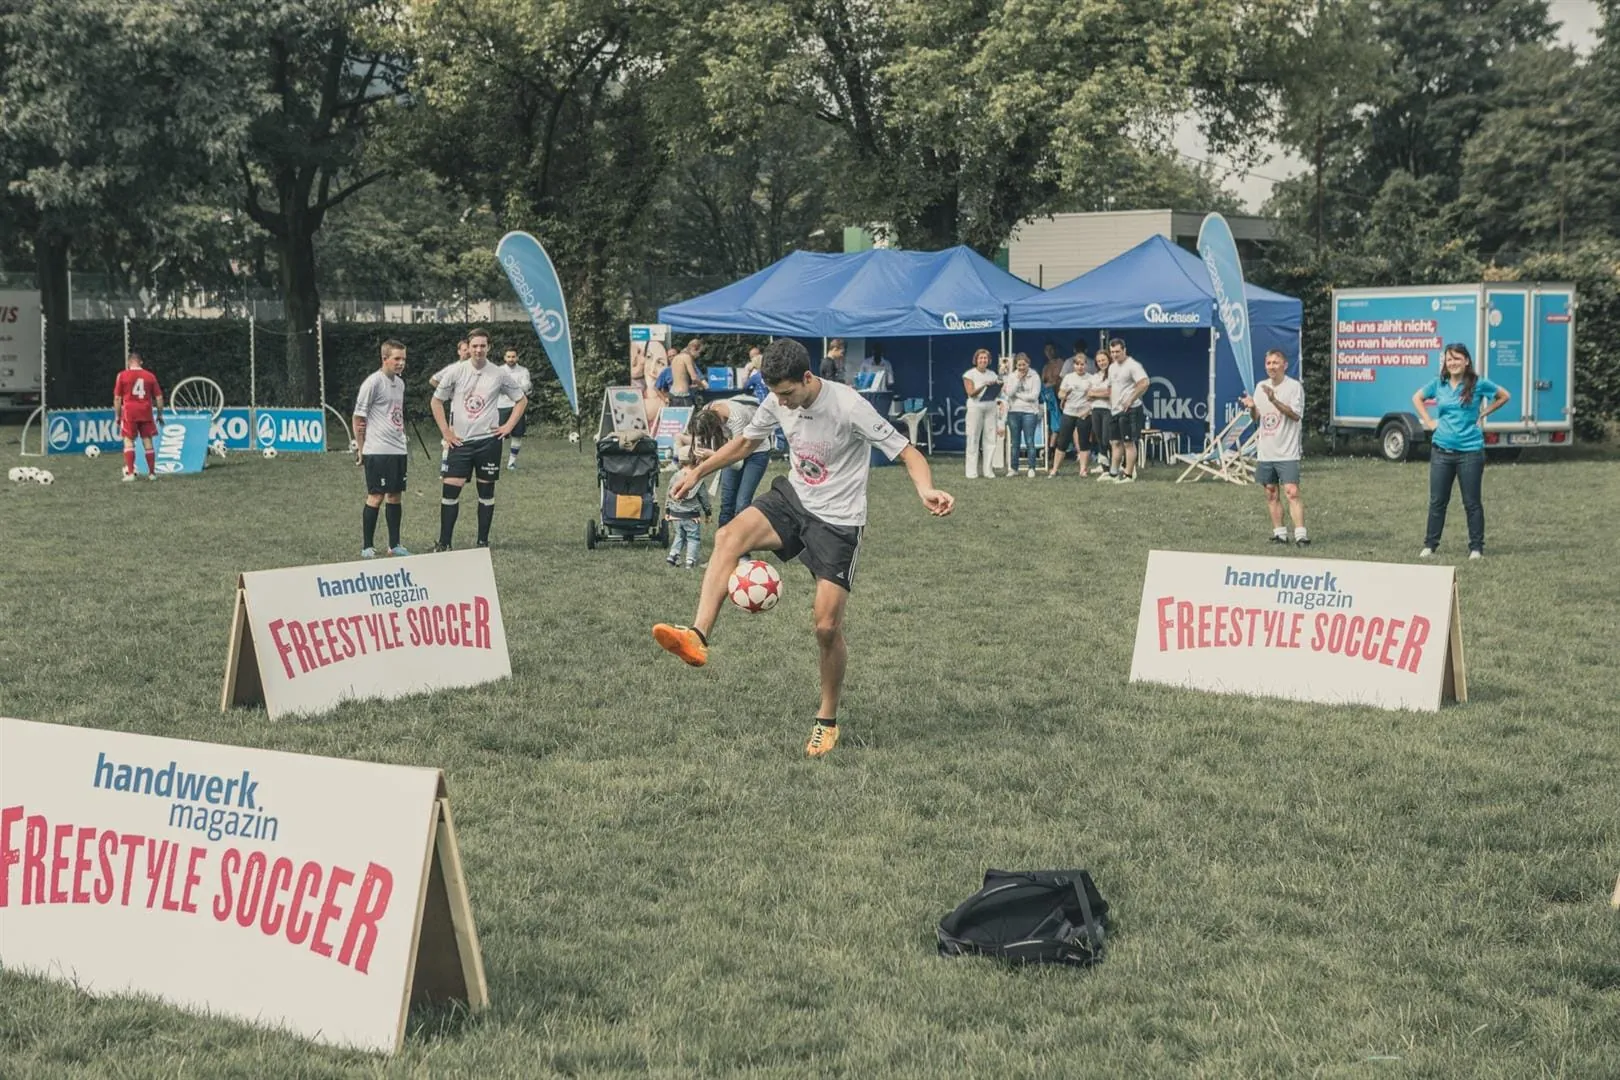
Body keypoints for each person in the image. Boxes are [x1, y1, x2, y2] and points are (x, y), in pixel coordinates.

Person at [651, 339, 954, 758]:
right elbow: (744, 443)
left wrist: (926, 489)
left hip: (839, 521)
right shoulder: (777, 400)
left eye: (788, 394)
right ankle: (697, 635)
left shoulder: (849, 406)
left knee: (826, 628)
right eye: (776, 395)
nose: (782, 403)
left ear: (808, 378)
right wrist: (698, 471)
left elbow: (907, 452)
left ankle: (826, 720)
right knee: (727, 537)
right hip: (794, 500)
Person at [430, 328, 528, 551]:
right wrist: (446, 432)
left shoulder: (499, 374)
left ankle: (482, 542)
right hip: (460, 441)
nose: (478, 349)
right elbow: (436, 401)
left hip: (488, 441)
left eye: (483, 345)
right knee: (450, 489)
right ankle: (444, 542)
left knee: (486, 492)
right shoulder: (456, 371)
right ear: (469, 347)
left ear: (489, 347)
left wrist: (508, 426)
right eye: (474, 345)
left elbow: (521, 400)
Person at [1413, 342, 1510, 560]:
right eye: (1449, 359)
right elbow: (1417, 398)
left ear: (1466, 361)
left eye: (1457, 358)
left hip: (1470, 453)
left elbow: (1504, 395)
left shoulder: (1478, 384)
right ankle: (1430, 545)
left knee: (1472, 503)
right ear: (1445, 363)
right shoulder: (1438, 384)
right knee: (1437, 501)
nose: (1453, 363)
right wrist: (1429, 421)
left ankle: (1476, 548)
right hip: (1441, 452)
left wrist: (1484, 413)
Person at [1241, 349, 1308, 546]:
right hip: (1266, 450)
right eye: (1269, 363)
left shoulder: (1294, 387)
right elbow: (1256, 419)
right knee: (1270, 491)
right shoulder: (1261, 386)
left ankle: (1301, 535)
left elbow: (1295, 415)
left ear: (1284, 365)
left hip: (1287, 450)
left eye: (1275, 363)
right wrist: (1252, 407)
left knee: (1292, 491)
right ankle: (1280, 534)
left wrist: (1274, 400)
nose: (1271, 366)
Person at [353, 339, 411, 558]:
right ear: (384, 358)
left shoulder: (400, 383)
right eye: (397, 359)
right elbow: (359, 417)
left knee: (395, 496)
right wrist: (360, 448)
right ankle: (367, 546)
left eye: (403, 359)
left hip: (398, 449)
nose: (401, 363)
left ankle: (394, 545)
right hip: (377, 449)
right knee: (376, 496)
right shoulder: (373, 383)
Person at [693, 397, 770, 527]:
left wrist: (713, 455)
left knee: (742, 503)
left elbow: (737, 461)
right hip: (731, 451)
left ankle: (742, 539)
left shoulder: (737, 419)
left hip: (756, 453)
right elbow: (700, 435)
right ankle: (723, 538)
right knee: (727, 501)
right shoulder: (707, 410)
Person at [112, 351, 164, 482]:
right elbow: (159, 397)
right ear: (141, 362)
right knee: (147, 440)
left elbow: (117, 398)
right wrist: (159, 414)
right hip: (146, 412)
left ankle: (130, 473)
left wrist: (118, 416)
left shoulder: (122, 376)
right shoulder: (150, 376)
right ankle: (152, 474)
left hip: (130, 413)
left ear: (129, 363)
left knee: (128, 440)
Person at [1048, 355, 1101, 478]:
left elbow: (1094, 397)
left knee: (1084, 442)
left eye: (1082, 364)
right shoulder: (1068, 378)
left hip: (1084, 413)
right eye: (1077, 364)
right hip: (1069, 412)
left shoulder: (1091, 379)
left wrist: (1088, 408)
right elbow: (1060, 394)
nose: (1080, 367)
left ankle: (1083, 470)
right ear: (1074, 366)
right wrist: (1065, 394)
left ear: (1086, 366)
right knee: (1062, 441)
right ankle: (1055, 469)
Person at [1105, 338, 1149, 483]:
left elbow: (1144, 382)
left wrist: (1131, 399)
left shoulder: (1133, 365)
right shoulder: (1112, 367)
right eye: (1112, 352)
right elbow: (1111, 387)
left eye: (1117, 351)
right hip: (1115, 410)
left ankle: (1129, 475)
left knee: (1128, 443)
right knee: (1115, 443)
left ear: (1124, 350)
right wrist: (1112, 404)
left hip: (1131, 410)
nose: (1115, 355)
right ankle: (1113, 473)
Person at [663, 449, 713, 569]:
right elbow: (704, 498)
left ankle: (673, 556)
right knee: (693, 538)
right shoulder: (697, 479)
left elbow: (668, 494)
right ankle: (690, 561)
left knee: (679, 535)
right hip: (691, 515)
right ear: (696, 460)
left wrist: (667, 510)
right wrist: (708, 512)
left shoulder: (675, 476)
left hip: (676, 514)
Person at [962, 348, 1001, 478]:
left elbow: (998, 391)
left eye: (985, 358)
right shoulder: (969, 374)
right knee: (973, 437)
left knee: (990, 438)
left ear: (989, 360)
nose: (983, 360)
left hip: (990, 406)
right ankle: (971, 471)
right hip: (975, 406)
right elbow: (970, 393)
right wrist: (983, 385)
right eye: (981, 358)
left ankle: (988, 470)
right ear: (976, 360)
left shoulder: (992, 374)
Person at [1002, 352, 1041, 477]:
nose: (1021, 368)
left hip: (1030, 411)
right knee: (1015, 441)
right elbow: (1008, 392)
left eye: (1024, 365)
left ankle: (1031, 468)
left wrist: (1018, 395)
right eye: (1019, 365)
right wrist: (1018, 380)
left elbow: (1034, 396)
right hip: (1013, 411)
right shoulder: (1012, 376)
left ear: (1028, 364)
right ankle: (1014, 468)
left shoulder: (1034, 376)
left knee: (1030, 441)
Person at [498, 346, 534, 470]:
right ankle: (495, 461)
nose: (511, 359)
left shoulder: (523, 371)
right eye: (508, 356)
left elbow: (526, 388)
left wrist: (507, 388)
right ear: (504, 358)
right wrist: (515, 388)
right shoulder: (499, 371)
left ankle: (511, 463)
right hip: (501, 406)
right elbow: (497, 388)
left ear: (517, 357)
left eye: (513, 356)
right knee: (499, 436)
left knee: (517, 435)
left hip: (517, 406)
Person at [669, 338, 702, 407]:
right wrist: (701, 385)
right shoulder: (687, 358)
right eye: (699, 352)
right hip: (682, 396)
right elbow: (694, 377)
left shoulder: (676, 358)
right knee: (688, 417)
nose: (698, 356)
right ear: (694, 349)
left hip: (672, 394)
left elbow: (679, 378)